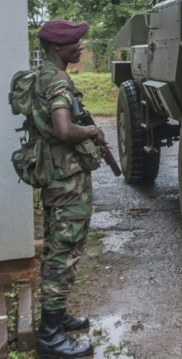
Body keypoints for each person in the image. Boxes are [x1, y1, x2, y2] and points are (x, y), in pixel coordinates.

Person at [34, 19, 105, 359]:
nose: (80, 46)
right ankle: (49, 336)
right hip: (66, 180)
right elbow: (63, 130)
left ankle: (56, 315)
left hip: (55, 177)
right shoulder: (58, 80)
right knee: (64, 251)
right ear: (56, 48)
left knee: (55, 245)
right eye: (74, 42)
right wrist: (90, 132)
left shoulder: (43, 75)